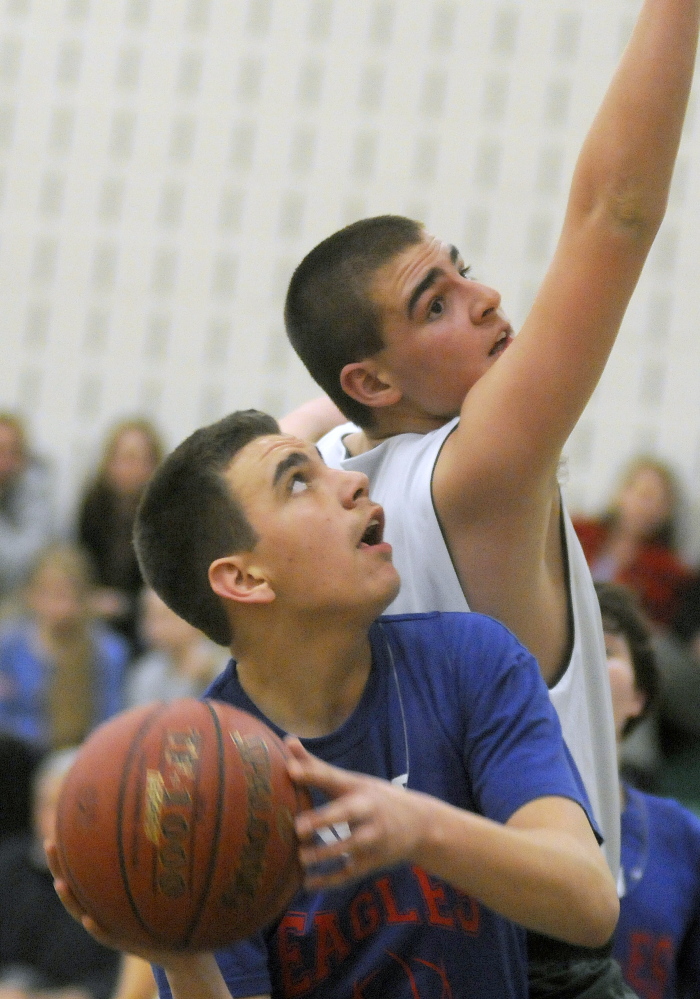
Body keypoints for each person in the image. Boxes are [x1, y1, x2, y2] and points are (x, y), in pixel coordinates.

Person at [283, 0, 697, 915]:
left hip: (382, 943)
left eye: (461, 267)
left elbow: (309, 420)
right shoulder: (472, 477)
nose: (486, 296)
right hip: (531, 942)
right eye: (435, 303)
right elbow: (615, 214)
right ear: (375, 378)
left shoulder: (313, 472)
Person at [49, 411, 618, 999]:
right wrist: (181, 957)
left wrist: (422, 828)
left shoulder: (470, 660)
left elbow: (589, 902)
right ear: (244, 578)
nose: (354, 482)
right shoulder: (203, 779)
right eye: (298, 480)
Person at [597, 581, 700, 999]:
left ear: (639, 695)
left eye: (604, 651)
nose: (581, 666)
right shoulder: (483, 820)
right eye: (563, 653)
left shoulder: (683, 837)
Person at [0, 747, 121, 999]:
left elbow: (123, 976)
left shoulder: (117, 882)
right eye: (52, 805)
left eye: (74, 807)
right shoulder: (7, 866)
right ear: (35, 809)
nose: (59, 819)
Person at [0, 543, 128, 749]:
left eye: (69, 596)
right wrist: (41, 734)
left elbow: (110, 720)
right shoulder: (8, 646)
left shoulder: (107, 651)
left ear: (86, 598)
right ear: (30, 595)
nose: (61, 607)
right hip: (19, 757)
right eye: (50, 595)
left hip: (84, 754)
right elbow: (4, 714)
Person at [76, 417, 165, 655]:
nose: (131, 468)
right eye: (124, 458)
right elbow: (80, 560)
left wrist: (126, 604)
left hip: (144, 621)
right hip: (92, 610)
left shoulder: (167, 515)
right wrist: (90, 597)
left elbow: (167, 584)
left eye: (140, 460)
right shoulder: (93, 504)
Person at [574, 457, 692, 630]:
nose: (648, 507)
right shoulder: (580, 532)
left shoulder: (668, 570)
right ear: (622, 493)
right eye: (644, 495)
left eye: (660, 502)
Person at [124, 587, 227, 707]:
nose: (154, 628)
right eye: (148, 617)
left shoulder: (225, 670)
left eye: (163, 617)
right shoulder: (147, 672)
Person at [0, 412, 56, 606]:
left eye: (13, 452)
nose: (4, 461)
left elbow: (33, 558)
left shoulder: (36, 491)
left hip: (21, 603)